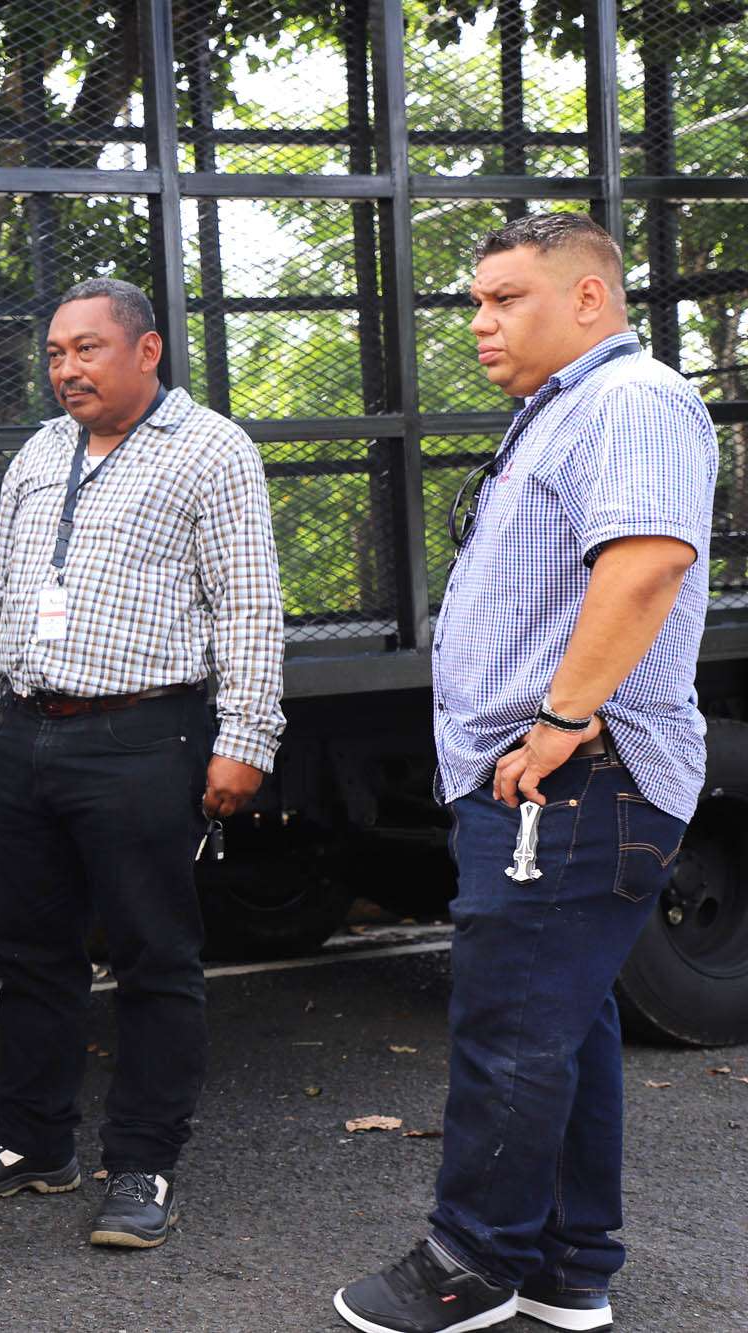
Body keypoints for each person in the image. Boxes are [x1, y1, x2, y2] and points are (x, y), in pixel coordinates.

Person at [333, 214, 716, 1333]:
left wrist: (558, 720)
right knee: (563, 1022)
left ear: (589, 299)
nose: (479, 323)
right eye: (474, 303)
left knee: (509, 1024)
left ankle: (469, 1260)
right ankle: (564, 1266)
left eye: (504, 299)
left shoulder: (627, 400)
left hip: (574, 778)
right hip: (549, 779)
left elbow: (644, 561)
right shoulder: (562, 411)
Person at [0, 278, 284, 1249]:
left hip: (144, 736)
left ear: (146, 350)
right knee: (29, 949)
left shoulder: (210, 450)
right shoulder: (40, 453)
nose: (66, 369)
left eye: (86, 349)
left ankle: (143, 1166)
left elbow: (247, 604)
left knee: (153, 959)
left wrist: (244, 740)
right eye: (52, 353)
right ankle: (32, 1144)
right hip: (32, 736)